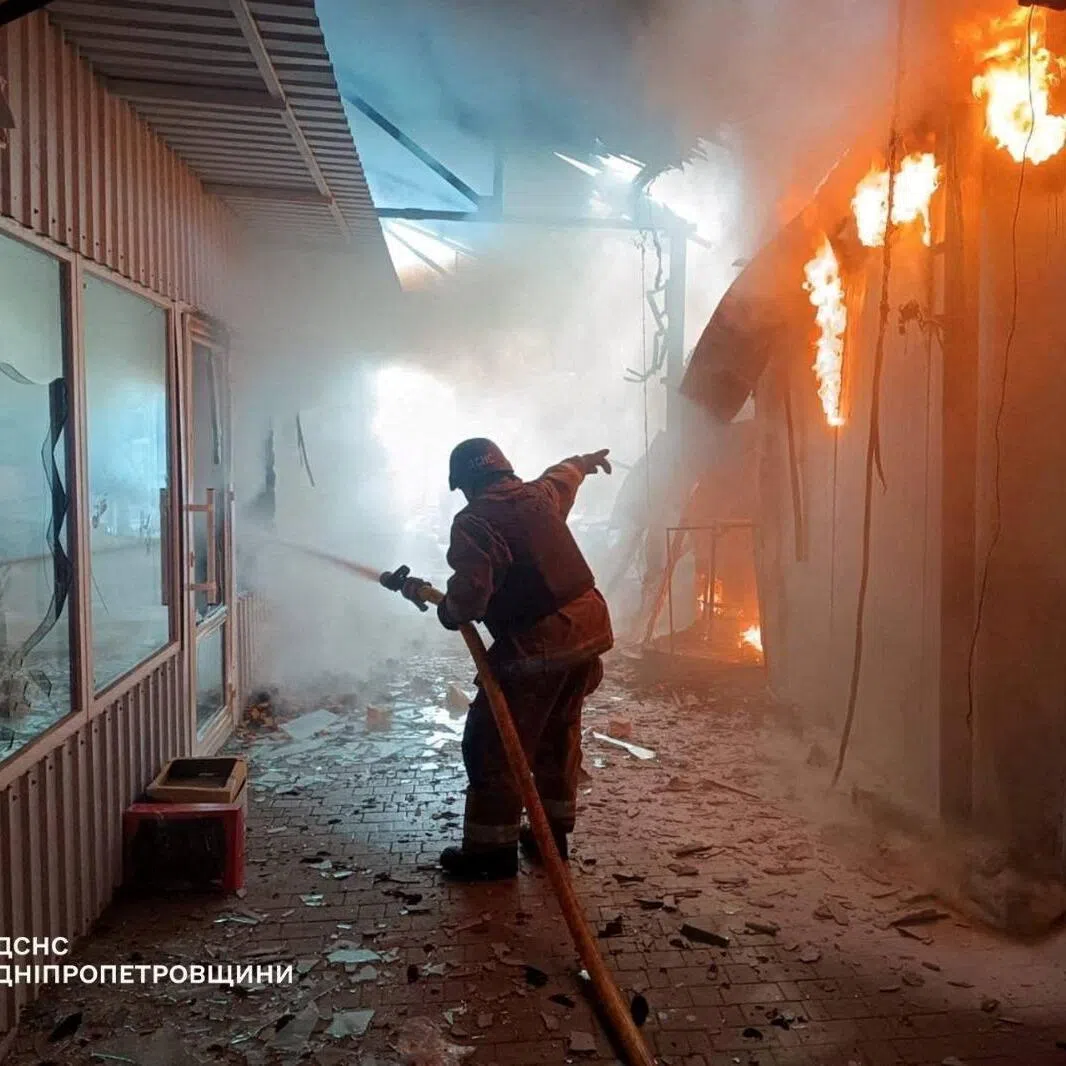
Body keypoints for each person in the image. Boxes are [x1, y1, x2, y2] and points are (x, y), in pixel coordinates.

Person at [405, 438, 614, 880]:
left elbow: (470, 596)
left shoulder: (473, 521)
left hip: (539, 646)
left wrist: (448, 612)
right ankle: (551, 837)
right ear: (504, 470)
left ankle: (490, 854)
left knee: (491, 745)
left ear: (466, 483)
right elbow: (564, 475)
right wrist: (584, 461)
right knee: (559, 734)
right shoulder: (538, 495)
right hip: (589, 630)